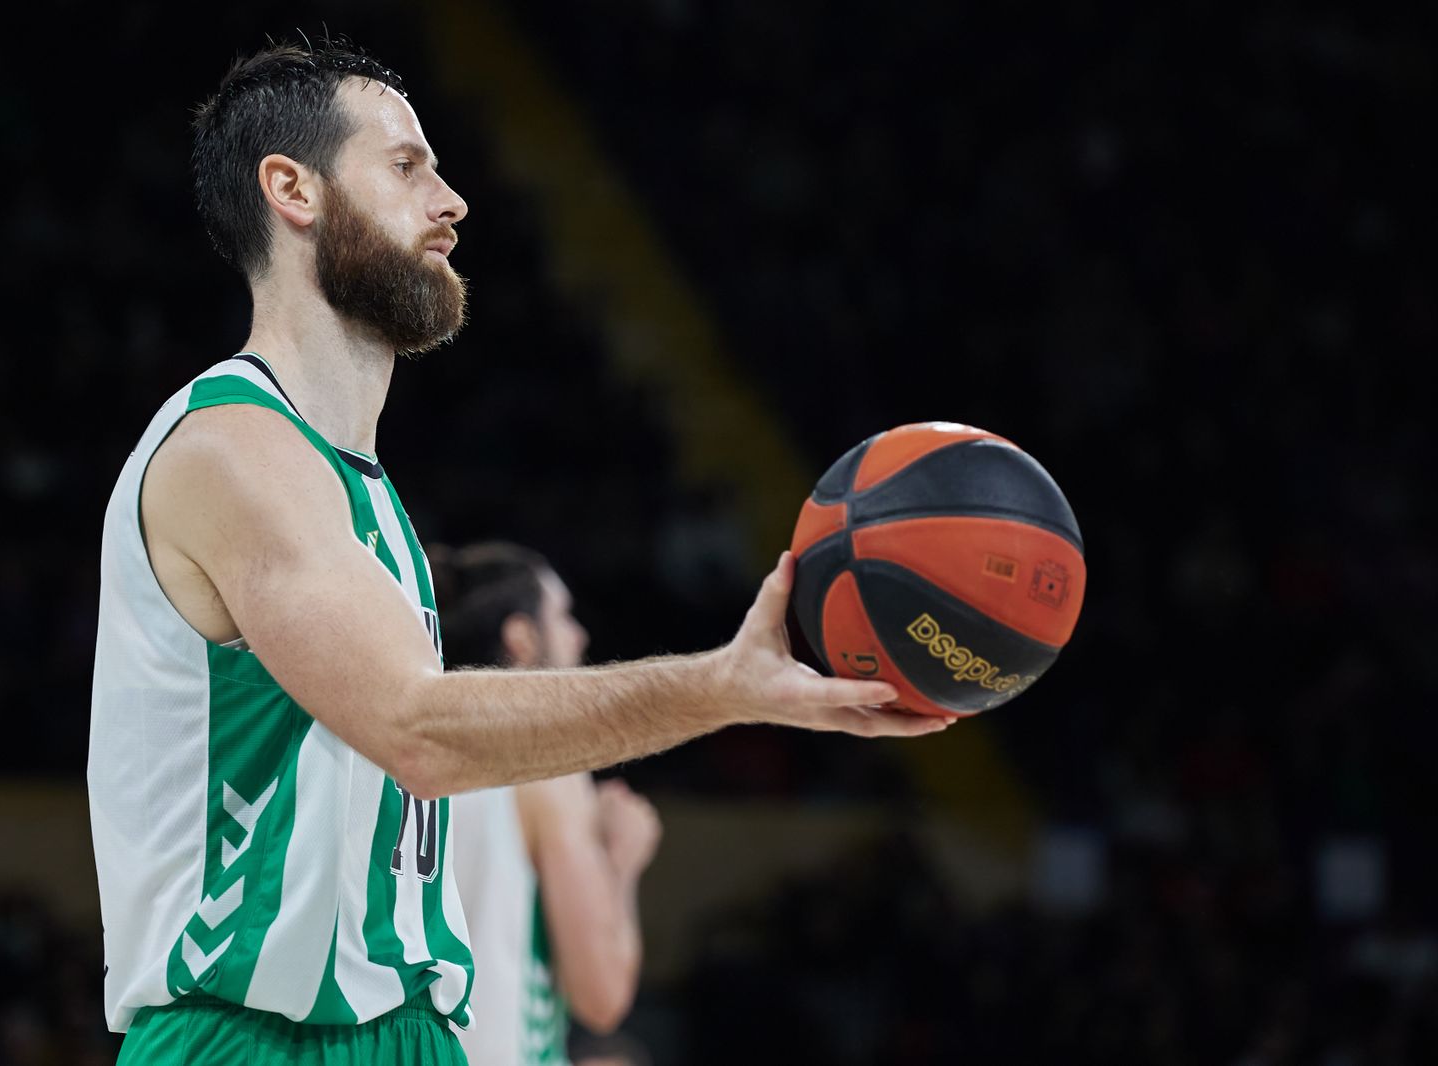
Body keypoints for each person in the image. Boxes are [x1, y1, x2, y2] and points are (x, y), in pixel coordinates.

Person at [87, 35, 955, 1066]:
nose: (452, 201)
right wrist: (725, 686)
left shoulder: (365, 495)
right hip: (250, 1036)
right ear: (293, 190)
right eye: (407, 167)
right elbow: (417, 729)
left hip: (406, 1030)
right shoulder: (230, 448)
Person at [434, 543, 661, 1066]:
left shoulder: (401, 748)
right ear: (521, 637)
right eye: (562, 616)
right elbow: (600, 998)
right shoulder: (544, 765)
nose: (579, 635)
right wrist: (621, 860)